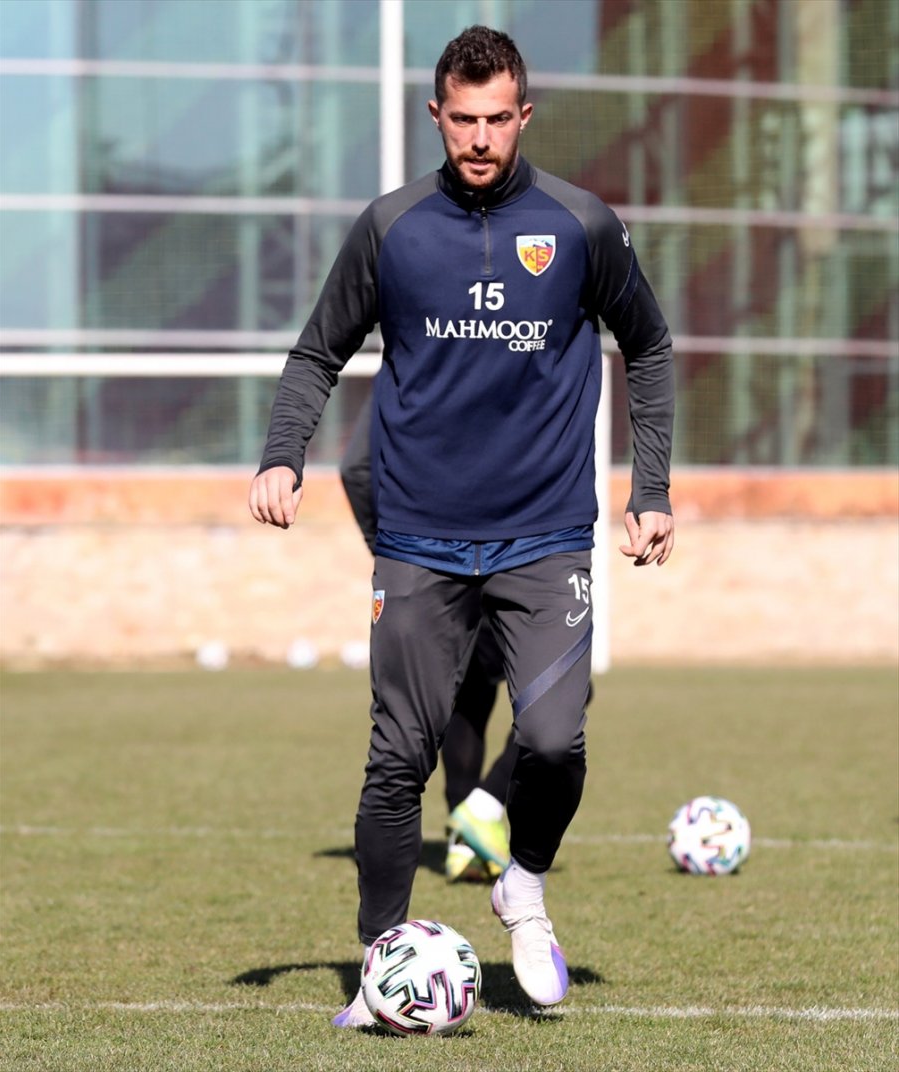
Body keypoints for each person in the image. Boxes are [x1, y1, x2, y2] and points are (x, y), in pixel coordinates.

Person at [249, 25, 675, 1024]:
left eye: (497, 119)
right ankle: (382, 970)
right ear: (435, 115)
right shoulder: (391, 228)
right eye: (462, 120)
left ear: (524, 116)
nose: (480, 138)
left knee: (555, 742)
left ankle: (522, 884)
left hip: (546, 535)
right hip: (418, 538)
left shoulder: (579, 224)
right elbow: (317, 351)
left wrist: (650, 489)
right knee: (398, 759)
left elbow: (649, 347)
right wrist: (281, 454)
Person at [340, 389, 517, 883]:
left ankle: (465, 842)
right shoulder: (483, 364)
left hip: (419, 563)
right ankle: (484, 806)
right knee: (568, 689)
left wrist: (388, 548)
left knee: (468, 695)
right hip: (501, 553)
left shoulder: (400, 374)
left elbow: (355, 469)